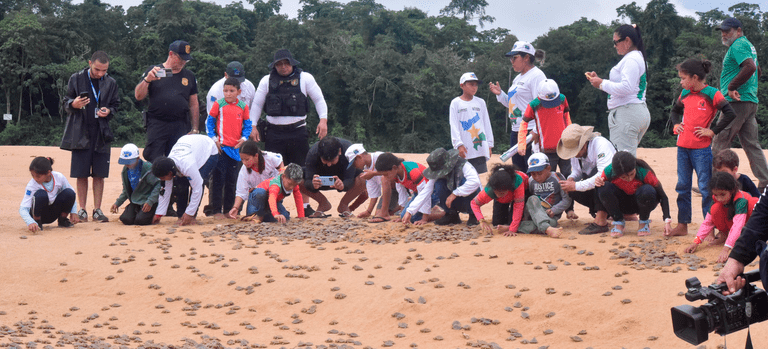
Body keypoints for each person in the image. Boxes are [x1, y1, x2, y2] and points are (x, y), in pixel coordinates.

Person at [668, 58, 738, 237]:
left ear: (695, 77)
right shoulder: (685, 93)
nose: (681, 82)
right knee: (682, 186)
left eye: (683, 78)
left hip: (701, 150)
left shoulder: (712, 93)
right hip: (682, 148)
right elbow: (675, 111)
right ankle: (682, 225)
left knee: (706, 189)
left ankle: (710, 229)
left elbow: (730, 113)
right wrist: (676, 124)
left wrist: (713, 131)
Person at [61, 50, 119, 223]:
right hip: (80, 132)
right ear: (89, 63)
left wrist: (108, 111)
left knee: (100, 174)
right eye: (97, 69)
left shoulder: (111, 82)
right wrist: (74, 104)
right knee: (81, 173)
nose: (100, 73)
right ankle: (82, 210)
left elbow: (116, 105)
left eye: (104, 70)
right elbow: (65, 102)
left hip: (101, 133)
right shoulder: (76, 79)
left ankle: (97, 210)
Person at [712, 17, 768, 191]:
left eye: (727, 31)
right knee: (752, 145)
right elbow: (757, 70)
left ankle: (715, 183)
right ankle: (765, 183)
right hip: (749, 101)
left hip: (736, 102)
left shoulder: (738, 45)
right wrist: (749, 87)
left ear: (738, 31)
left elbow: (750, 67)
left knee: (720, 142)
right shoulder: (748, 45)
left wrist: (732, 87)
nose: (723, 34)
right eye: (722, 31)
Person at [251, 49, 328, 167]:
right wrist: (253, 125)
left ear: (292, 63)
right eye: (279, 64)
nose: (283, 67)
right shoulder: (266, 80)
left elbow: (319, 99)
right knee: (274, 170)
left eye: (286, 63)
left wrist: (323, 120)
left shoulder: (305, 78)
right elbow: (257, 104)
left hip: (298, 133)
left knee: (301, 170)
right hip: (274, 134)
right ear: (274, 66)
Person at [586, 24, 650, 156]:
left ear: (627, 41)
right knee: (627, 158)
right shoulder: (637, 57)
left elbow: (626, 87)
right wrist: (600, 81)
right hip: (635, 111)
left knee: (621, 160)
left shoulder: (631, 59)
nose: (614, 46)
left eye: (616, 42)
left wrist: (602, 84)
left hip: (627, 113)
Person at [135, 40, 199, 162]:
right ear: (171, 54)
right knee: (154, 160)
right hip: (158, 124)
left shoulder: (189, 75)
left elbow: (194, 104)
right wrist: (147, 80)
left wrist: (195, 128)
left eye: (186, 60)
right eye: (181, 59)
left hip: (180, 124)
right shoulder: (155, 71)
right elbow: (138, 96)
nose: (183, 62)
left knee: (179, 161)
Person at [489, 41, 546, 172]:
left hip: (530, 130)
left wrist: (536, 131)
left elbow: (542, 105)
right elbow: (512, 105)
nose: (511, 61)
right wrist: (500, 94)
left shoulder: (537, 76)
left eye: (514, 58)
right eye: (511, 58)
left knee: (532, 170)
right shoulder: (517, 78)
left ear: (526, 57)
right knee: (518, 172)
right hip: (516, 130)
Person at [684, 172, 759, 263]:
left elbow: (737, 226)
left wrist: (726, 249)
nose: (719, 198)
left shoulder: (741, 200)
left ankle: (748, 237)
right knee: (715, 209)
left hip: (750, 223)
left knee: (753, 205)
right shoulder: (716, 199)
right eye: (716, 195)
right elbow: (707, 223)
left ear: (732, 191)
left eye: (722, 194)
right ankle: (724, 235)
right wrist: (696, 242)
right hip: (734, 221)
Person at [556, 124, 617, 235]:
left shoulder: (600, 144)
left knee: (600, 181)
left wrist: (575, 185)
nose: (574, 155)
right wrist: (571, 179)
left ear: (584, 145)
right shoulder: (577, 154)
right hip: (598, 189)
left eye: (575, 151)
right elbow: (577, 171)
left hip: (614, 188)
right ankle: (601, 213)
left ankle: (601, 220)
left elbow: (604, 175)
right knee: (572, 190)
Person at [594, 151, 672, 237]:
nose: (629, 179)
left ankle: (644, 221)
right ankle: (618, 221)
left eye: (632, 174)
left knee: (647, 190)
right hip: (621, 204)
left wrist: (667, 220)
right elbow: (602, 193)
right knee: (603, 187)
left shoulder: (644, 172)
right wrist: (598, 183)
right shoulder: (609, 171)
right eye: (623, 177)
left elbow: (663, 196)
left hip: (641, 204)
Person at [206, 77, 252, 218]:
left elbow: (248, 125)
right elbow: (209, 123)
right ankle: (216, 210)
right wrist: (214, 139)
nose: (228, 94)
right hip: (221, 148)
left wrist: (244, 139)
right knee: (218, 179)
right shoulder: (218, 104)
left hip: (236, 150)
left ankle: (228, 210)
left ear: (239, 92)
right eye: (226, 91)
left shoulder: (243, 106)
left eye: (232, 91)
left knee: (232, 181)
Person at [151, 134, 219, 226]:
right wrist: (159, 214)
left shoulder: (187, 166)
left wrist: (190, 213)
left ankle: (192, 216)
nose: (162, 180)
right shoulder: (167, 165)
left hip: (209, 150)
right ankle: (181, 215)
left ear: (170, 173)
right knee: (181, 185)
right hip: (189, 146)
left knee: (199, 180)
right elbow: (166, 190)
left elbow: (197, 187)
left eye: (162, 178)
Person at [517, 79, 572, 176]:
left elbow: (566, 117)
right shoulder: (534, 105)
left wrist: (571, 135)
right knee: (548, 177)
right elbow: (524, 123)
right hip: (547, 149)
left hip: (564, 145)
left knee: (568, 174)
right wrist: (521, 144)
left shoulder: (562, 99)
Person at [415, 148, 482, 226]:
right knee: (439, 184)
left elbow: (475, 182)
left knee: (465, 182)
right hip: (453, 199)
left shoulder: (464, 165)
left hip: (470, 197)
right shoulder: (437, 172)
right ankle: (451, 214)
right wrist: (409, 212)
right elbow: (426, 191)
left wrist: (455, 194)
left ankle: (473, 214)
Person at [302, 137, 366, 218]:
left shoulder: (348, 151)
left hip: (342, 176)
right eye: (325, 161)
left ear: (339, 152)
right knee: (297, 178)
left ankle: (344, 205)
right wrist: (312, 184)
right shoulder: (313, 153)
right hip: (320, 177)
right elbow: (308, 180)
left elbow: (349, 179)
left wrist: (343, 186)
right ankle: (323, 203)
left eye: (332, 160)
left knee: (364, 177)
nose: (329, 164)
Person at [374, 153, 439, 225]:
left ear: (394, 167)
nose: (385, 177)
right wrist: (401, 216)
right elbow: (402, 194)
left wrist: (424, 219)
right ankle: (429, 209)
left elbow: (425, 193)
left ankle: (442, 214)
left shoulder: (413, 172)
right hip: (417, 193)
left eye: (386, 174)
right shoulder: (396, 174)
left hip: (432, 192)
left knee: (414, 218)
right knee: (405, 216)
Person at [449, 72, 493, 174]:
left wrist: (489, 145)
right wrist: (458, 144)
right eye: (471, 84)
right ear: (462, 85)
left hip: (479, 146)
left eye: (476, 85)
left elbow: (486, 123)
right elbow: (454, 125)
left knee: (478, 177)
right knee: (464, 176)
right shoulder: (455, 103)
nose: (474, 87)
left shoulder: (481, 102)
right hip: (464, 148)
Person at [227, 141, 285, 218]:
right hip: (256, 198)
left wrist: (279, 178)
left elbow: (280, 163)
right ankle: (261, 215)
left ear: (256, 156)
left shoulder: (269, 157)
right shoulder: (243, 171)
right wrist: (235, 208)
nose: (244, 162)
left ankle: (264, 215)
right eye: (242, 159)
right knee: (260, 192)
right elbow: (241, 192)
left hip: (272, 195)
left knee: (285, 217)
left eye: (247, 159)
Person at [19, 157, 79, 231]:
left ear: (48, 173)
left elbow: (72, 194)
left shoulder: (59, 177)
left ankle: (62, 220)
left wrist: (73, 212)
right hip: (38, 213)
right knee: (41, 194)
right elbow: (23, 208)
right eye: (32, 175)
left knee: (69, 193)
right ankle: (37, 222)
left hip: (53, 212)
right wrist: (30, 222)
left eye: (38, 176)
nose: (35, 179)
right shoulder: (32, 185)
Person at [518, 153, 569, 238]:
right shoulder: (531, 181)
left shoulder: (557, 178)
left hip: (550, 217)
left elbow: (567, 200)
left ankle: (517, 227)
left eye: (540, 173)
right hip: (534, 213)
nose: (537, 177)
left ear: (548, 168)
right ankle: (547, 228)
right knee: (532, 199)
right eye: (533, 174)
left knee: (545, 224)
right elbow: (530, 202)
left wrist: (554, 210)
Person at [345, 144, 400, 222]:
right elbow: (374, 193)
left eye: (354, 163)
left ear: (359, 157)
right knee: (378, 214)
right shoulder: (367, 171)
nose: (355, 167)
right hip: (391, 192)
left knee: (384, 178)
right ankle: (397, 208)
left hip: (401, 186)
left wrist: (374, 173)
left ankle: (402, 205)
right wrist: (368, 211)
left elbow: (394, 171)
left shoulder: (380, 157)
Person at [110, 144, 161, 225]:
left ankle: (153, 211)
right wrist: (117, 203)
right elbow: (126, 190)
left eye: (129, 161)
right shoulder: (125, 170)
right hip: (135, 201)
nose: (127, 164)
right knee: (125, 219)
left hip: (148, 200)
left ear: (138, 158)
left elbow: (158, 185)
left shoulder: (147, 168)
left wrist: (150, 201)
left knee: (141, 221)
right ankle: (137, 211)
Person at [471, 164, 528, 236]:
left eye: (501, 193)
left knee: (513, 222)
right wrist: (481, 220)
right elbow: (474, 203)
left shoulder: (517, 181)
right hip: (502, 200)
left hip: (523, 193)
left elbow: (519, 206)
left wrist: (512, 229)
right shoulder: (490, 189)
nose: (498, 195)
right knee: (497, 223)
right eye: (496, 192)